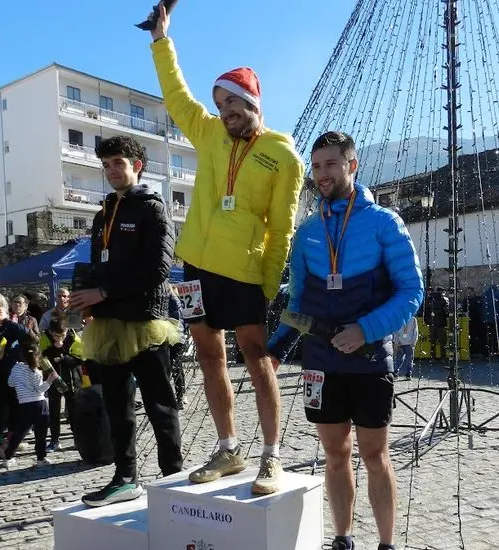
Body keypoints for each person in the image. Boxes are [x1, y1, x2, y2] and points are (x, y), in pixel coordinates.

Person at [148, 2, 305, 494]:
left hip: (244, 272)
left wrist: (267, 280)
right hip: (194, 266)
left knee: (257, 359)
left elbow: (282, 229)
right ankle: (228, 447)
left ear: (254, 104)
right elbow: (176, 94)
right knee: (209, 357)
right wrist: (160, 40)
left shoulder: (283, 155)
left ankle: (272, 455)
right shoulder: (209, 133)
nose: (226, 113)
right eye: (220, 106)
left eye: (234, 105)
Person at [268, 131, 423, 550]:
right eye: (316, 167)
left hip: (371, 360)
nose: (321, 174)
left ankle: (387, 544)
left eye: (330, 165)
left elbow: (412, 291)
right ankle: (343, 538)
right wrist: (275, 350)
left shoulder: (383, 222)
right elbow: (297, 300)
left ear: (351, 166)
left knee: (375, 456)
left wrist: (365, 330)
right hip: (320, 362)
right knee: (335, 456)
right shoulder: (307, 232)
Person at [72, 135, 183, 507]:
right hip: (106, 322)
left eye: (117, 163)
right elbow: (97, 265)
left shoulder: (153, 208)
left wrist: (103, 293)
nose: (111, 171)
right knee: (117, 406)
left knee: (160, 403)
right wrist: (83, 297)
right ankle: (125, 477)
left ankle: (173, 477)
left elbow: (159, 269)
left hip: (145, 321)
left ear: (137, 165)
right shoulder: (102, 215)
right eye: (105, 165)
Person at [0, 298, 33, 458]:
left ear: (6, 314)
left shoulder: (11, 327)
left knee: (15, 407)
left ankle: (13, 440)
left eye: (0, 312)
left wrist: (10, 323)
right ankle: (0, 443)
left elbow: (28, 335)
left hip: (15, 373)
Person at [3, 344, 58, 469]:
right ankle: (40, 458)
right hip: (39, 403)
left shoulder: (16, 368)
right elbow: (39, 390)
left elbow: (10, 383)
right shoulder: (36, 372)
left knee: (20, 432)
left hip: (24, 404)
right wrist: (49, 381)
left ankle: (8, 457)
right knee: (41, 433)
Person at [40, 315, 83, 452]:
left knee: (74, 410)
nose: (59, 338)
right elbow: (41, 357)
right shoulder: (45, 338)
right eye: (56, 335)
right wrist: (54, 349)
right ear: (51, 332)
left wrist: (64, 358)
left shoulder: (73, 337)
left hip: (71, 378)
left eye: (61, 335)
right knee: (54, 410)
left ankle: (78, 439)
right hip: (53, 379)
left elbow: (80, 358)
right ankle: (54, 440)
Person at [479, 284, 499, 357]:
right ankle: (495, 352)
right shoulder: (498, 294)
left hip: (485, 320)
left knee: (486, 337)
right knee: (495, 336)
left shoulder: (484, 294)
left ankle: (485, 353)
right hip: (495, 320)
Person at [393, 316, 419, 380]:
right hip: (400, 344)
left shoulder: (413, 319)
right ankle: (395, 372)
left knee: (409, 360)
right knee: (399, 359)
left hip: (409, 344)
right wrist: (396, 342)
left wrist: (413, 342)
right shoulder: (399, 318)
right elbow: (396, 331)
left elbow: (415, 331)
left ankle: (408, 374)